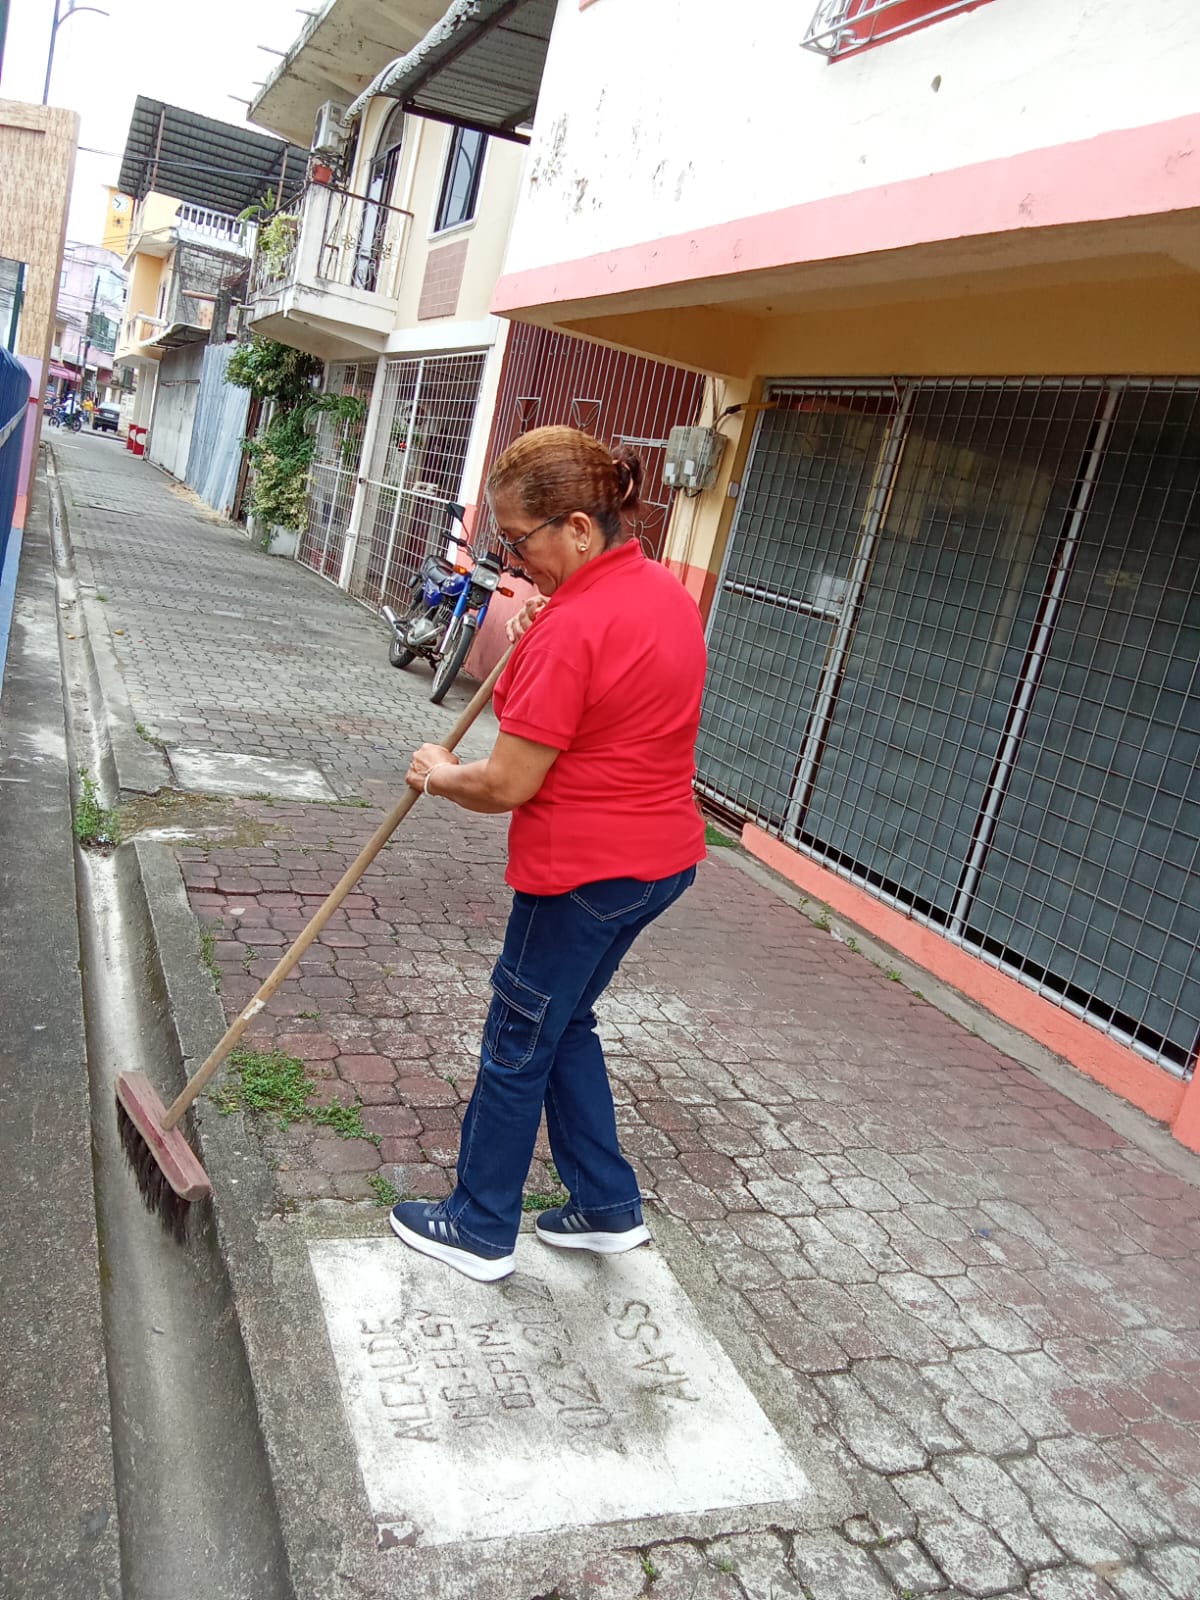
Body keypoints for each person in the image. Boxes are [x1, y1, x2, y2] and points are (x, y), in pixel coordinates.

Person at [390, 425, 708, 1282]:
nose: (513, 560)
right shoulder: (663, 592)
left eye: (519, 540)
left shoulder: (574, 627)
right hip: (660, 864)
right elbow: (610, 702)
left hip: (583, 875)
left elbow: (506, 783)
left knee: (518, 1039)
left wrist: (439, 774)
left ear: (576, 527)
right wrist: (541, 625)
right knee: (564, 1024)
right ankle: (604, 1205)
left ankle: (478, 1224)